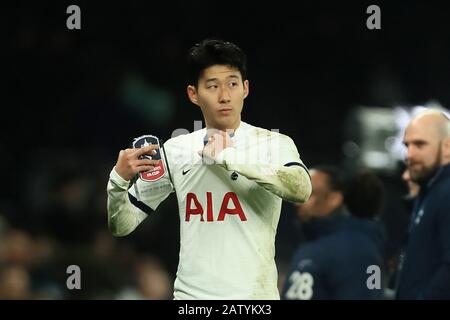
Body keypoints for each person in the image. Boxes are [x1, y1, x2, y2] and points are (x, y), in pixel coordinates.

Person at [106, 39, 312, 299]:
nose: (224, 96)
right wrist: (118, 180)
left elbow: (302, 188)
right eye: (213, 86)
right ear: (193, 94)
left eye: (233, 84)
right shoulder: (175, 150)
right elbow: (122, 225)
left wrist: (228, 156)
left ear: (245, 89)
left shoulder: (273, 144)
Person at [281, 166, 385, 300]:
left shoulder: (359, 252)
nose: (298, 202)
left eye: (308, 193)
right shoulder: (316, 242)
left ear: (333, 199)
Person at [396, 110, 450, 299]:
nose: (409, 154)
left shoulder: (446, 192)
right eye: (407, 145)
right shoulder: (429, 191)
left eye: (419, 144)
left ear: (447, 147)